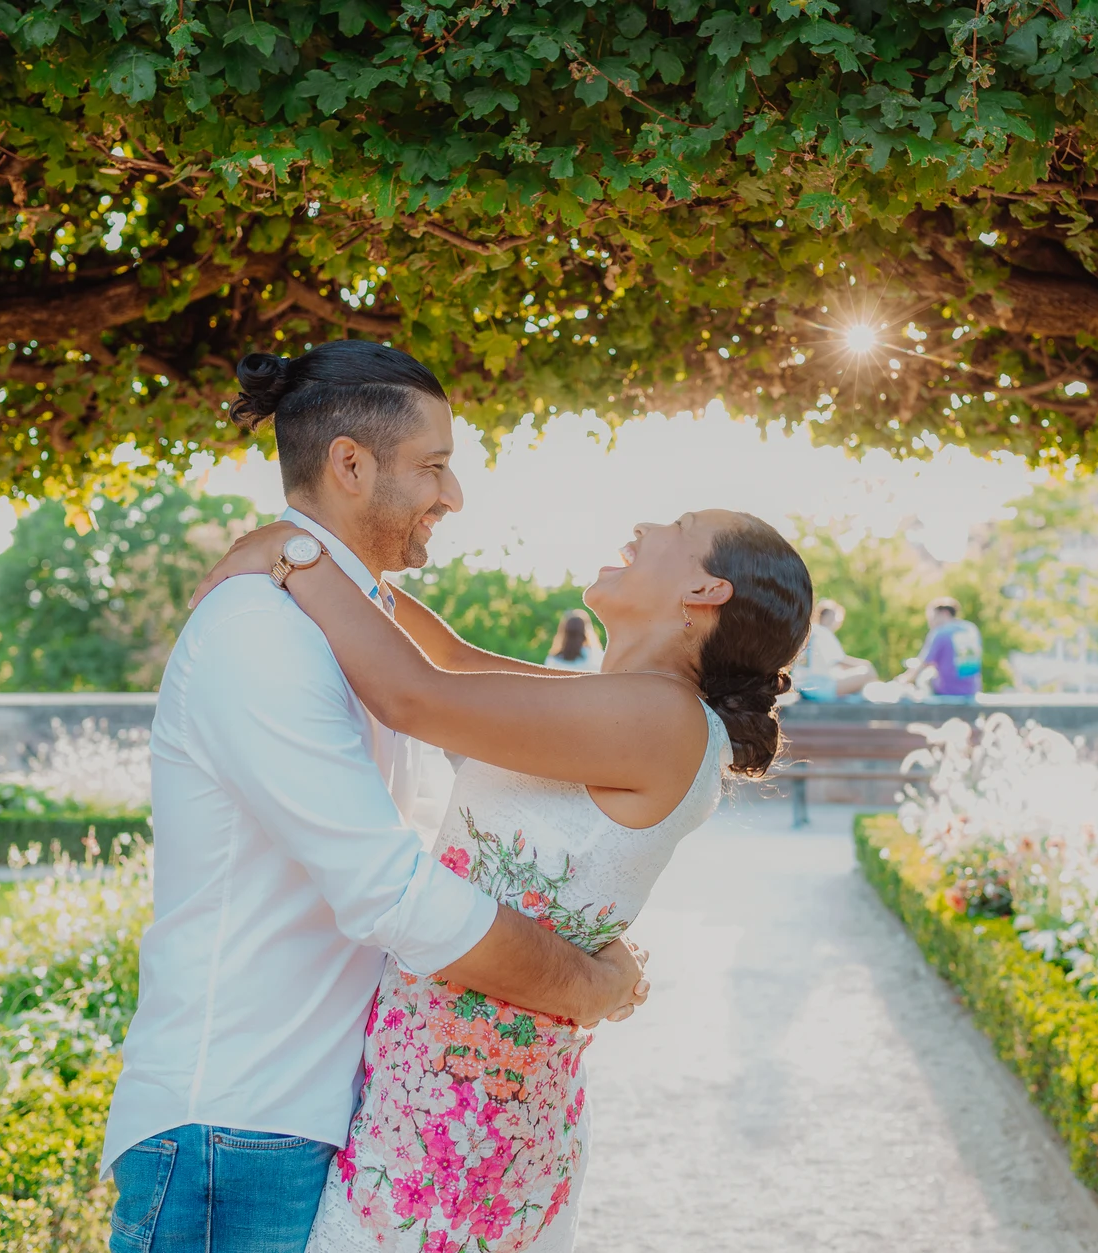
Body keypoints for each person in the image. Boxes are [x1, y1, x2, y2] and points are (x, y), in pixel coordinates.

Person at [186, 390, 814, 1251]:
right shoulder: (626, 705)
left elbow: (417, 694)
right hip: (445, 1101)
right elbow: (450, 657)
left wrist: (295, 558)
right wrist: (334, 558)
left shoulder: (661, 721)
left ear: (707, 587)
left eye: (676, 524)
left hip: (465, 1130)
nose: (644, 526)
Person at [100, 342, 655, 1253]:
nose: (454, 494)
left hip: (311, 1116)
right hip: (238, 1130)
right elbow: (390, 891)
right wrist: (585, 984)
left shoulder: (353, 620)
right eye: (434, 466)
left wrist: (295, 550)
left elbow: (486, 692)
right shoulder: (258, 632)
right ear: (350, 464)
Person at [791, 598, 878, 700]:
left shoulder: (810, 632)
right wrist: (865, 664)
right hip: (818, 687)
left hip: (801, 684)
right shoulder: (823, 632)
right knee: (868, 673)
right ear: (829, 616)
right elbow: (840, 662)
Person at [904, 597, 984, 701]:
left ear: (944, 613)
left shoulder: (940, 632)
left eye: (932, 618)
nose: (930, 624)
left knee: (924, 678)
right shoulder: (971, 629)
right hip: (972, 691)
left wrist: (904, 680)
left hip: (948, 692)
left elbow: (924, 663)